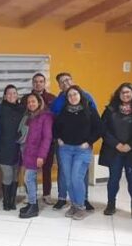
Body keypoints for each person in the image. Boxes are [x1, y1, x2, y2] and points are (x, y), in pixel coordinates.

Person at [54, 86, 102, 220]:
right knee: (68, 180)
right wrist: (59, 138)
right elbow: (55, 127)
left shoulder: (90, 111)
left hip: (82, 150)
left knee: (76, 177)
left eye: (75, 94)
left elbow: (99, 129)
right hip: (66, 150)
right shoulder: (64, 111)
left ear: (80, 95)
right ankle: (74, 205)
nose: (72, 97)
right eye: (69, 95)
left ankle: (81, 206)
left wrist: (89, 142)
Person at [99, 83, 132, 219]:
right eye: (122, 92)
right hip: (114, 150)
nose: (125, 95)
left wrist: (131, 145)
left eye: (128, 92)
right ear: (118, 95)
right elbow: (103, 129)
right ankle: (111, 204)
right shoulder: (110, 109)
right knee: (113, 179)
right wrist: (116, 144)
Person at [18, 93, 53, 219]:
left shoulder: (46, 116)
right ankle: (32, 204)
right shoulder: (29, 117)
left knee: (29, 178)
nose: (31, 104)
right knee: (29, 179)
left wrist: (41, 156)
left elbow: (47, 138)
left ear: (39, 102)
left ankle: (33, 206)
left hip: (37, 154)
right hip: (28, 152)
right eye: (28, 102)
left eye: (33, 101)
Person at [26, 73, 56, 205]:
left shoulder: (51, 98)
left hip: (47, 141)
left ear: (44, 83)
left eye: (41, 81)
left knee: (46, 168)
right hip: (31, 144)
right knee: (30, 172)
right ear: (33, 83)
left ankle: (46, 194)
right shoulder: (26, 99)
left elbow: (56, 119)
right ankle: (31, 196)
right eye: (36, 82)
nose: (38, 84)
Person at [0, 84, 24, 211]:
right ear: (4, 96)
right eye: (9, 93)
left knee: (15, 175)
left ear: (17, 95)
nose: (12, 95)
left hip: (18, 147)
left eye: (14, 93)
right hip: (3, 147)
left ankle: (12, 200)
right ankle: (6, 201)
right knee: (7, 174)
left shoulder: (22, 109)